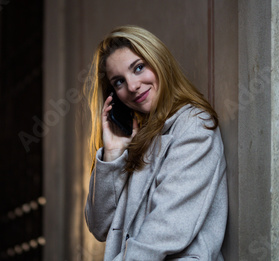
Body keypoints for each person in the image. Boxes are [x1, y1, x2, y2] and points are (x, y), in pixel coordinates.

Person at [84, 25, 228, 260]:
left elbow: (167, 229)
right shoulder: (138, 140)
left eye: (138, 68)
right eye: (119, 82)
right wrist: (112, 154)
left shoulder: (194, 125)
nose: (132, 86)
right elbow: (100, 227)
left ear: (158, 60)